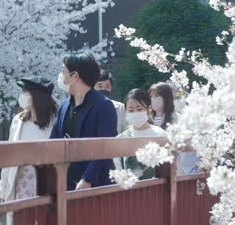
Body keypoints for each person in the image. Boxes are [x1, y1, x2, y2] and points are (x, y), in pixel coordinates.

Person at [50, 53, 117, 191]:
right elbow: (53, 142)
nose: (61, 76)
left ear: (75, 76)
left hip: (95, 185)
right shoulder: (63, 106)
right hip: (66, 183)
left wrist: (88, 178)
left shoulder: (104, 105)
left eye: (63, 71)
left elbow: (105, 146)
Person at [0, 76, 57, 202]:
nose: (22, 96)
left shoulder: (56, 121)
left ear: (36, 96)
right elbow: (9, 156)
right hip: (19, 184)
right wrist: (2, 189)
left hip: (45, 185)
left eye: (25, 92)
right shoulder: (18, 120)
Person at [113, 89, 167, 180]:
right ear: (125, 112)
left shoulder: (161, 135)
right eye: (131, 110)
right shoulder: (120, 139)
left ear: (149, 110)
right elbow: (119, 170)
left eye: (139, 109)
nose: (135, 113)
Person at [149, 82, 198, 175]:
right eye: (151, 96)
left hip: (179, 173)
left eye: (178, 97)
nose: (153, 99)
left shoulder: (180, 120)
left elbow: (187, 157)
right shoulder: (150, 120)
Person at [94, 69, 127, 134]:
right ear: (92, 87)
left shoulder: (121, 107)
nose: (103, 89)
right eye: (100, 86)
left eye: (107, 86)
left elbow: (126, 132)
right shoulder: (86, 108)